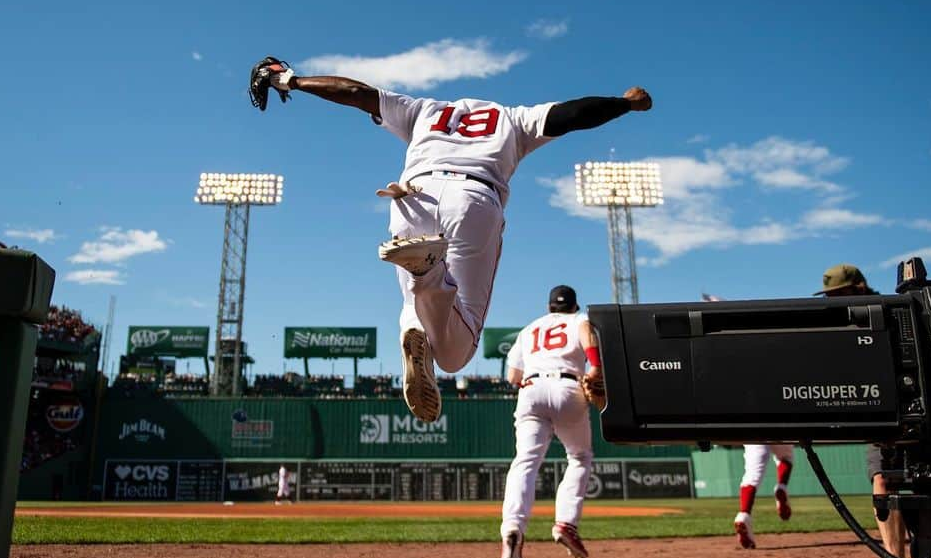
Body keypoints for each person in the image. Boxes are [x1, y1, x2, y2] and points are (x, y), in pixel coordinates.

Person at [253, 58, 651, 423]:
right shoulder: (512, 118)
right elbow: (573, 114)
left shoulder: (424, 110)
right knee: (457, 355)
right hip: (473, 201)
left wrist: (290, 79)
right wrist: (624, 103)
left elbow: (356, 94)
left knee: (415, 306)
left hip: (411, 197)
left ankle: (423, 285)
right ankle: (428, 278)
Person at [815, 263, 914, 558]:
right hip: (882, 425)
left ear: (858, 288)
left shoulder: (890, 313)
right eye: (829, 297)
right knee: (882, 482)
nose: (833, 302)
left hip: (918, 418)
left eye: (838, 295)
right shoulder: (840, 327)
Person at [498, 284, 602, 558]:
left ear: (549, 307)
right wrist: (594, 364)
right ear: (573, 306)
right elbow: (586, 334)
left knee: (525, 462)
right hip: (567, 386)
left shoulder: (529, 328)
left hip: (531, 389)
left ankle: (513, 527)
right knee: (579, 457)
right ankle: (566, 523)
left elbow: (512, 377)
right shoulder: (578, 319)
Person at [732, 444, 795, 549]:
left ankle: (744, 514)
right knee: (786, 457)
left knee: (752, 476)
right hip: (779, 428)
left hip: (752, 430)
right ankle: (782, 486)